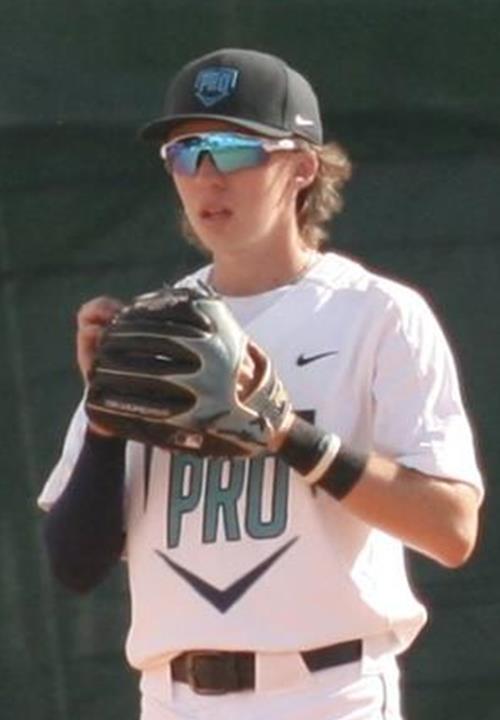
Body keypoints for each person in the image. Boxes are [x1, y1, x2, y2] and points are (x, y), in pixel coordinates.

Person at [38, 48, 484, 720]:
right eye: (186, 153)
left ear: (303, 167)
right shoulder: (156, 330)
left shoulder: (377, 314)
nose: (206, 176)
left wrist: (290, 436)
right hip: (174, 699)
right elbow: (74, 564)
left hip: (328, 692)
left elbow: (451, 529)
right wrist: (104, 423)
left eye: (232, 149)